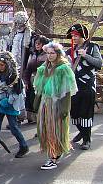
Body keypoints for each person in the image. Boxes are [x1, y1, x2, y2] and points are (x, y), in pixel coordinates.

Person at [33, 42, 77, 170]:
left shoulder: (63, 69)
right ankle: (55, 153)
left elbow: (67, 91)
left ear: (58, 54)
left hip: (57, 104)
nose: (50, 55)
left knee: (55, 131)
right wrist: (36, 103)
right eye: (48, 53)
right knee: (45, 130)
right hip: (45, 103)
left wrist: (64, 109)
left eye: (52, 53)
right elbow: (40, 88)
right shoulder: (44, 68)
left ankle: (53, 157)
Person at [67, 23, 103, 151]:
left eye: (76, 35)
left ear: (83, 36)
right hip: (73, 86)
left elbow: (99, 63)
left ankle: (87, 139)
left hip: (87, 86)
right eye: (72, 36)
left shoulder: (92, 47)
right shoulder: (70, 50)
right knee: (74, 113)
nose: (74, 38)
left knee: (85, 114)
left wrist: (85, 55)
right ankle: (82, 131)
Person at [0, 52, 30, 158]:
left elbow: (18, 94)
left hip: (10, 106)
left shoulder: (15, 78)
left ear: (8, 64)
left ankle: (23, 146)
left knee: (13, 127)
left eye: (2, 65)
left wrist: (8, 101)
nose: (0, 67)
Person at [23, 35, 49, 123]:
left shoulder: (48, 55)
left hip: (43, 81)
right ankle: (31, 118)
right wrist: (26, 81)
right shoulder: (33, 54)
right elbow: (28, 69)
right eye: (36, 43)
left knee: (40, 101)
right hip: (32, 80)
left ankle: (41, 120)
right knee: (30, 99)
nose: (37, 45)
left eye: (39, 44)